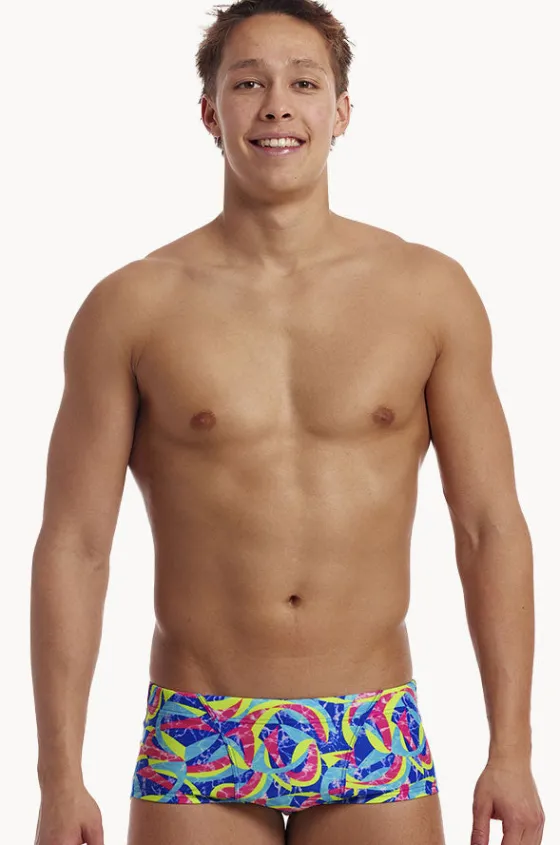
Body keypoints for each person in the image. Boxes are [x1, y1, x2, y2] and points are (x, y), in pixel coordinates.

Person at [31, 1, 545, 844]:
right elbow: (76, 545)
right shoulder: (131, 306)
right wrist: (59, 776)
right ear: (210, 113)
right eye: (248, 84)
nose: (277, 105)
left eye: (304, 84)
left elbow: (490, 527)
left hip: (369, 725)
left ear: (341, 112)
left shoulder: (429, 293)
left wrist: (513, 751)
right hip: (200, 727)